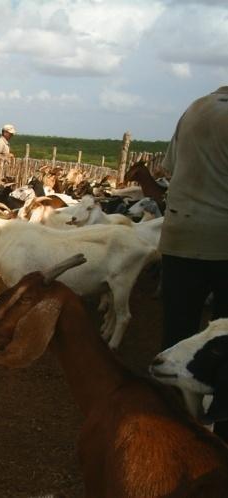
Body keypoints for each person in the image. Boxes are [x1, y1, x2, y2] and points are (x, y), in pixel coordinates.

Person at [158, 87, 228, 437]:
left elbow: (168, 171)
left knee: (177, 332)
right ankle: (219, 424)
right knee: (224, 337)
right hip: (224, 242)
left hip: (179, 236)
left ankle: (172, 419)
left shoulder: (195, 108)